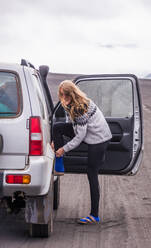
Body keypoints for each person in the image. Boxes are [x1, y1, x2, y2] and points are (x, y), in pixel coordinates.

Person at [52, 80, 112, 225]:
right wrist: (56, 141)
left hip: (99, 140)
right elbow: (73, 125)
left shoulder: (81, 108)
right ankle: (59, 162)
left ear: (71, 94)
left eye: (64, 95)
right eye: (60, 95)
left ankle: (94, 215)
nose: (62, 98)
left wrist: (63, 148)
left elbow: (80, 137)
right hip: (90, 134)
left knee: (92, 174)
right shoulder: (73, 104)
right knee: (57, 128)